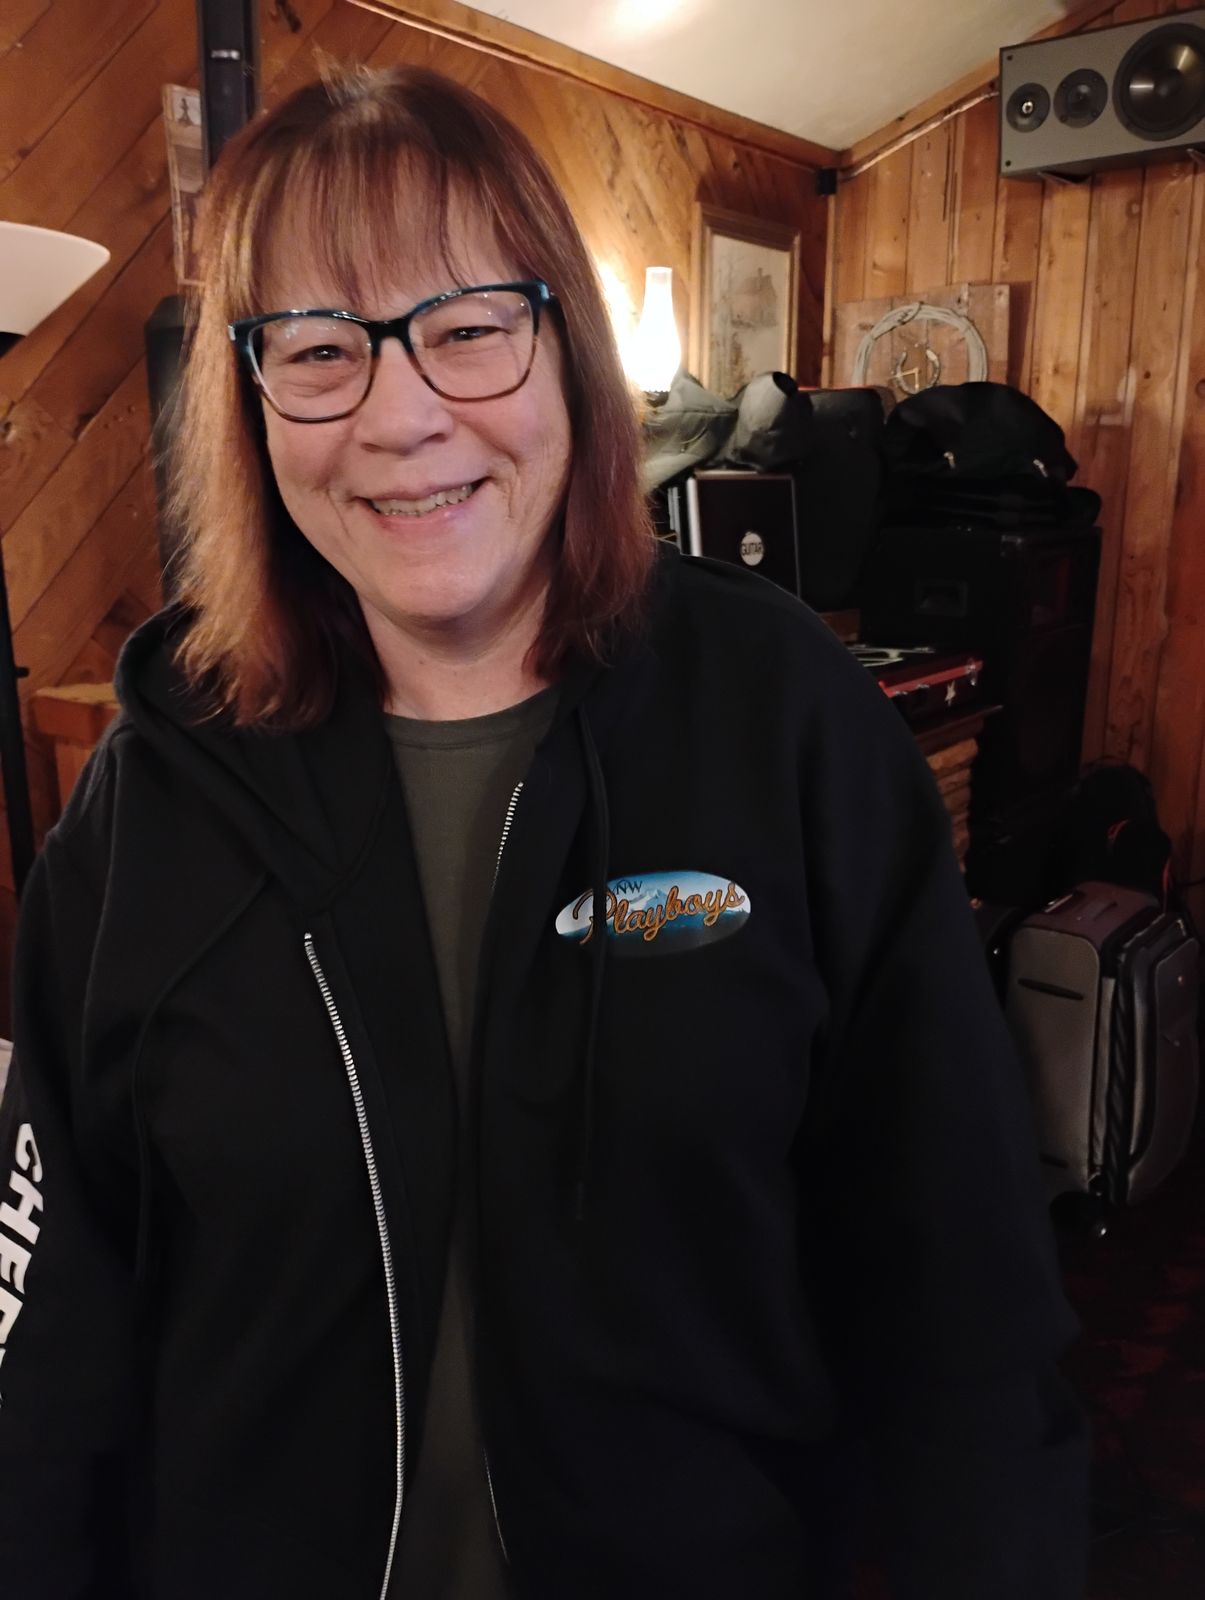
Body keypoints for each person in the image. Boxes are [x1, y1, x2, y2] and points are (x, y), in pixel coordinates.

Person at [0, 64, 1087, 1600]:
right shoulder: (152, 791)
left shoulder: (783, 721)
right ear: (250, 403)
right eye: (319, 348)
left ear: (564, 346)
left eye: (464, 329)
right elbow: (53, 1336)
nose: (399, 414)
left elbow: (963, 1300)